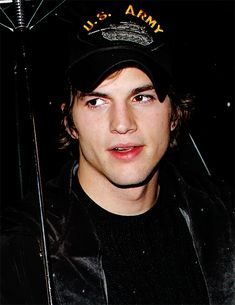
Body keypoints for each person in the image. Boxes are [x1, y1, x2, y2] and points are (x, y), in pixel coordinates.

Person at [1, 3, 234, 305]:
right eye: (97, 102)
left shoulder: (224, 218)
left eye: (141, 97)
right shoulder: (22, 253)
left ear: (175, 113)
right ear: (69, 122)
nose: (122, 124)